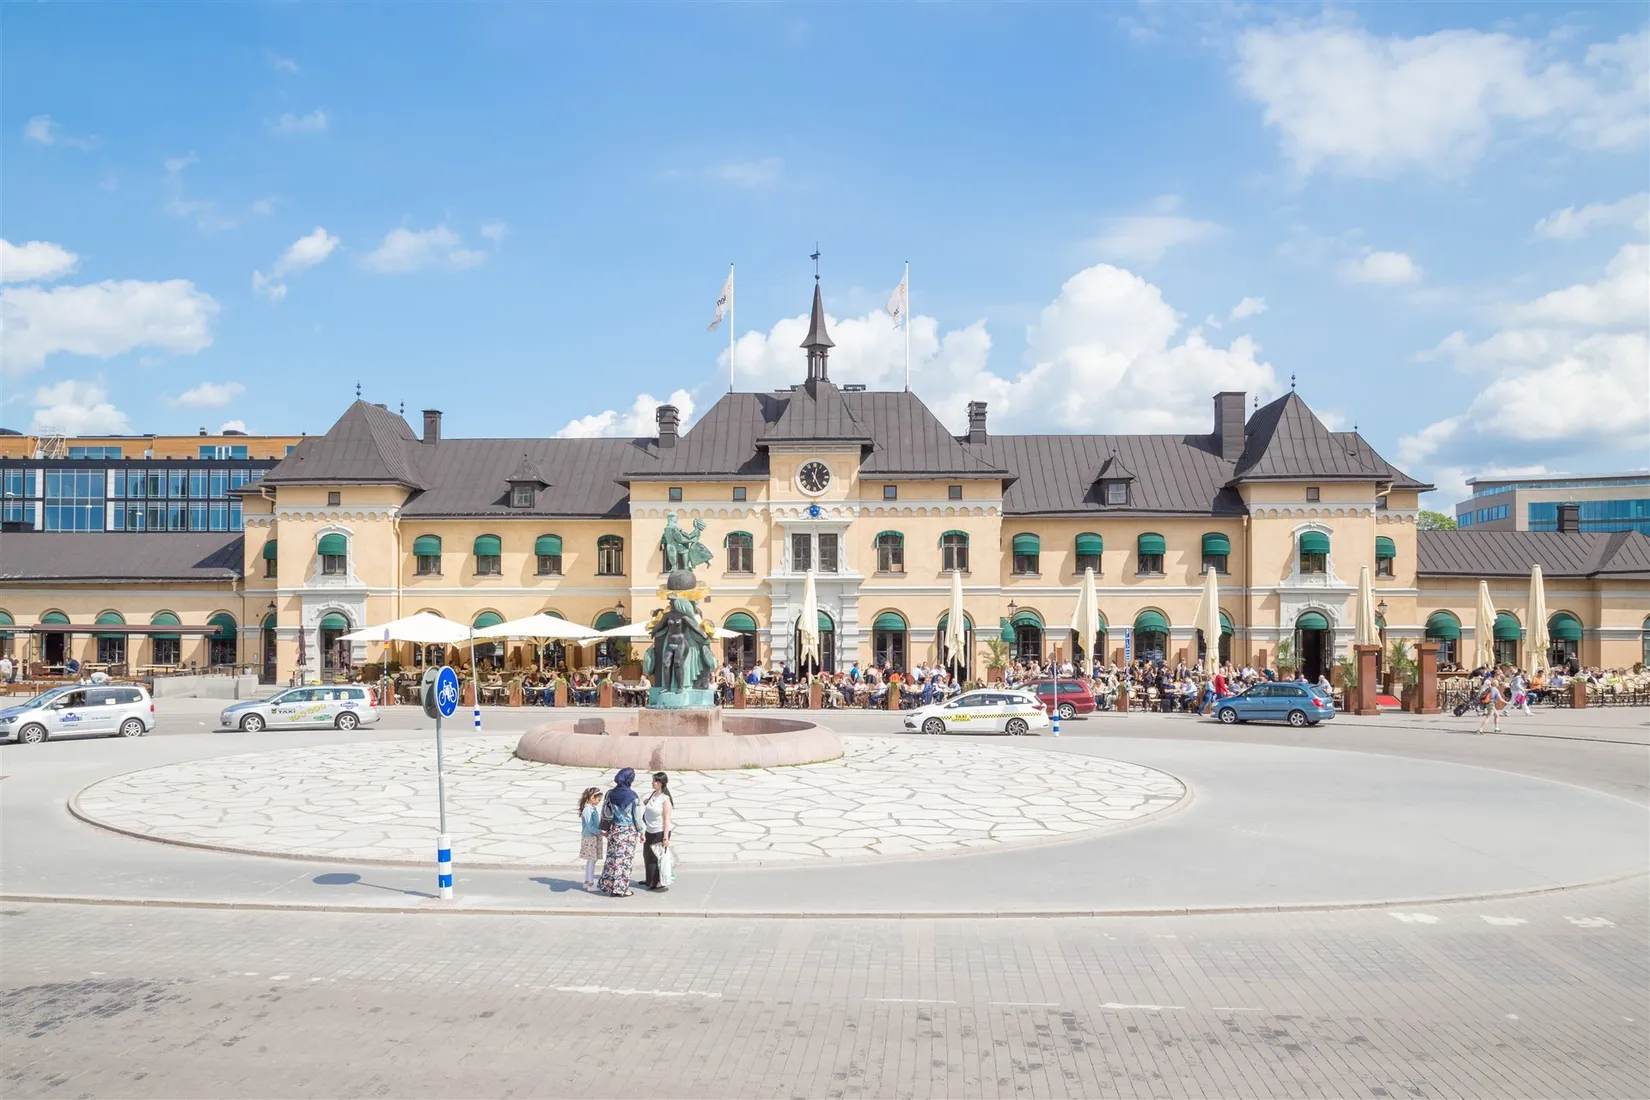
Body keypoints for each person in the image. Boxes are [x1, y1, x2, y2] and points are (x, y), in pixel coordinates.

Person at [596, 768, 645, 897]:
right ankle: (621, 889)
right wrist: (642, 832)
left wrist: (604, 829)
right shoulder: (633, 796)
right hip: (628, 832)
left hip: (614, 830)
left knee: (612, 859)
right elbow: (637, 818)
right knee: (624, 861)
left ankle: (608, 886)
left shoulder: (610, 794)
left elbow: (605, 813)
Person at [641, 771, 674, 891]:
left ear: (661, 783)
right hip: (649, 830)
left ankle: (658, 881)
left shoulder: (665, 799)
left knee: (656, 858)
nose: (653, 783)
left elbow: (666, 820)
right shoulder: (653, 794)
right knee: (647, 855)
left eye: (655, 781)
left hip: (659, 831)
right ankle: (649, 880)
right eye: (653, 780)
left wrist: (665, 838)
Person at [578, 787, 605, 891]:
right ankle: (590, 883)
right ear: (592, 798)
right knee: (592, 861)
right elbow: (590, 826)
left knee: (591, 860)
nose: (599, 802)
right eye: (598, 800)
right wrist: (600, 832)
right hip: (591, 837)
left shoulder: (590, 808)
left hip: (591, 837)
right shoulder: (588, 810)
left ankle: (587, 881)